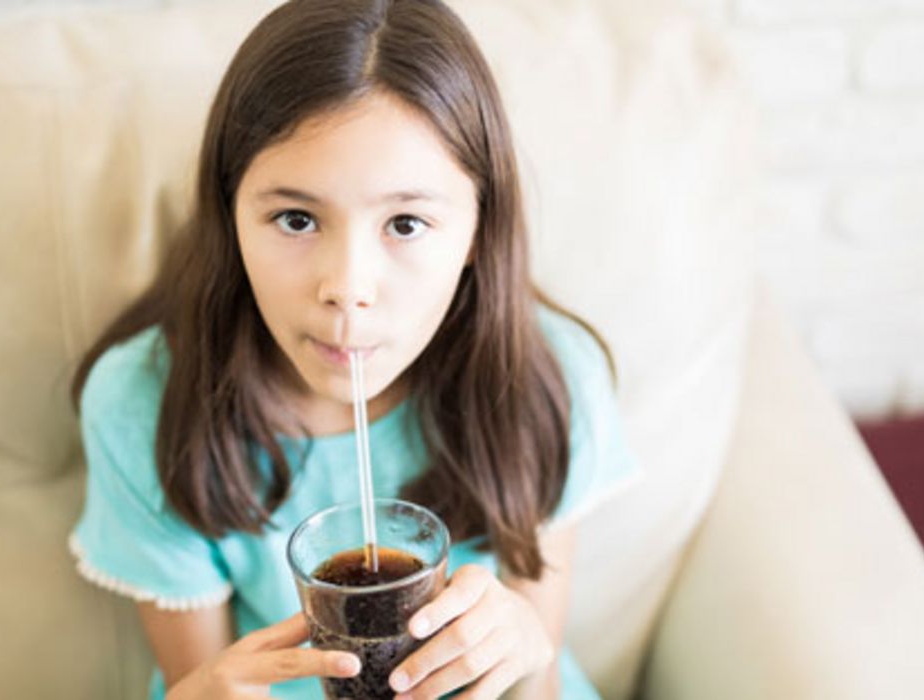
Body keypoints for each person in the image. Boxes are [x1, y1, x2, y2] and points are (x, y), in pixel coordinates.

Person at [67, 0, 640, 697]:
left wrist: (526, 651)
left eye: (404, 223)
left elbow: (538, 684)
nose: (346, 288)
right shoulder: (148, 406)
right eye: (297, 218)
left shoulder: (546, 378)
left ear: (477, 232)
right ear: (229, 216)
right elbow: (201, 678)